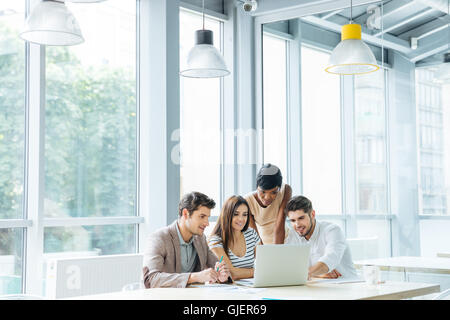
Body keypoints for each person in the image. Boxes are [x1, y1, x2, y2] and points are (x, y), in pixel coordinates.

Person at [142, 192, 231, 288]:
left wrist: (222, 276)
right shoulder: (159, 238)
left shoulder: (200, 239)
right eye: (202, 216)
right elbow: (150, 279)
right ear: (185, 214)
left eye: (207, 217)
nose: (207, 223)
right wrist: (193, 277)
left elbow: (217, 267)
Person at [284, 195, 358, 279]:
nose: (297, 225)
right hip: (318, 287)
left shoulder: (333, 230)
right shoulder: (293, 235)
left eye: (301, 218)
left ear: (312, 214)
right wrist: (317, 274)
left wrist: (308, 273)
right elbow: (290, 267)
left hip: (347, 286)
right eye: (293, 220)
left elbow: (330, 259)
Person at [208, 195, 261, 280]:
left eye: (245, 214)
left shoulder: (252, 234)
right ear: (227, 214)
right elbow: (232, 273)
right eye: (236, 214)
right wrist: (257, 272)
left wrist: (258, 271)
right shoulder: (215, 241)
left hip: (251, 288)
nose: (241, 219)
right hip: (228, 289)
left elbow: (264, 266)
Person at [244, 164, 292, 244]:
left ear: (279, 189)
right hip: (263, 243)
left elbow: (280, 224)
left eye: (274, 192)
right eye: (263, 192)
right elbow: (254, 235)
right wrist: (263, 253)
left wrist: (277, 250)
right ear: (257, 187)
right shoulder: (247, 201)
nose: (267, 197)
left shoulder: (285, 190)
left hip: (287, 240)